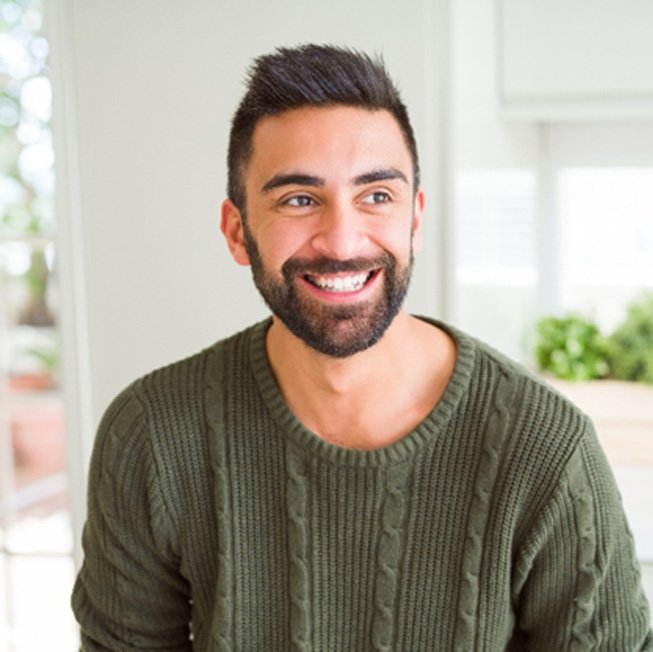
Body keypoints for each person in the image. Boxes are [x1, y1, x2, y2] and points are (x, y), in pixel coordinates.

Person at [72, 44, 652, 650]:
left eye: (376, 195)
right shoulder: (152, 434)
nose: (343, 239)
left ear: (415, 220)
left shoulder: (547, 450)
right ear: (238, 230)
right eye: (299, 199)